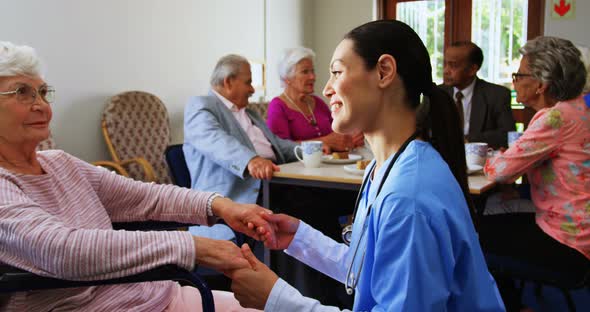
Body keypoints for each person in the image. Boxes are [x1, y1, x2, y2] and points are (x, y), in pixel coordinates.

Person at [227, 20, 505, 311]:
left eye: (337, 72)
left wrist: (277, 301)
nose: (326, 88)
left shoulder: (409, 197)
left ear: (384, 72)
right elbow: (371, 269)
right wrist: (300, 237)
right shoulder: (389, 167)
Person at [0, 41, 270, 311]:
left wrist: (222, 206)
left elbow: (146, 197)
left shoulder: (60, 163)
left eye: (43, 92)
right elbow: (62, 250)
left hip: (153, 294)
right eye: (22, 92)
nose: (41, 105)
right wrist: (192, 246)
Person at [481, 36, 590, 311]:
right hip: (579, 229)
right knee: (494, 225)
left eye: (519, 75)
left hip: (568, 239)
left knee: (473, 236)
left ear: (541, 84)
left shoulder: (554, 117)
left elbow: (500, 171)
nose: (514, 81)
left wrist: (492, 156)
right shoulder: (581, 108)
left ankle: (512, 306)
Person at [183, 54, 298, 243]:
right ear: (228, 82)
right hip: (235, 199)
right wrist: (251, 161)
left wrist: (313, 150)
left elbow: (277, 145)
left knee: (317, 205)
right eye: (248, 82)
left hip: (273, 186)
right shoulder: (201, 105)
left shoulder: (250, 113)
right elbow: (214, 140)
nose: (252, 89)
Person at [267, 47, 363, 153]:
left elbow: (337, 133)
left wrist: (350, 138)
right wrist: (324, 141)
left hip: (329, 164)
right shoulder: (277, 106)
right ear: (287, 78)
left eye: (312, 71)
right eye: (305, 72)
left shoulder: (318, 102)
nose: (312, 77)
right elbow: (281, 148)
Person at [441, 41, 516, 149]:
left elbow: (507, 134)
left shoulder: (497, 95)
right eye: (445, 64)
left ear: (472, 69)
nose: (446, 71)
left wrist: (467, 140)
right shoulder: (436, 94)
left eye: (453, 65)